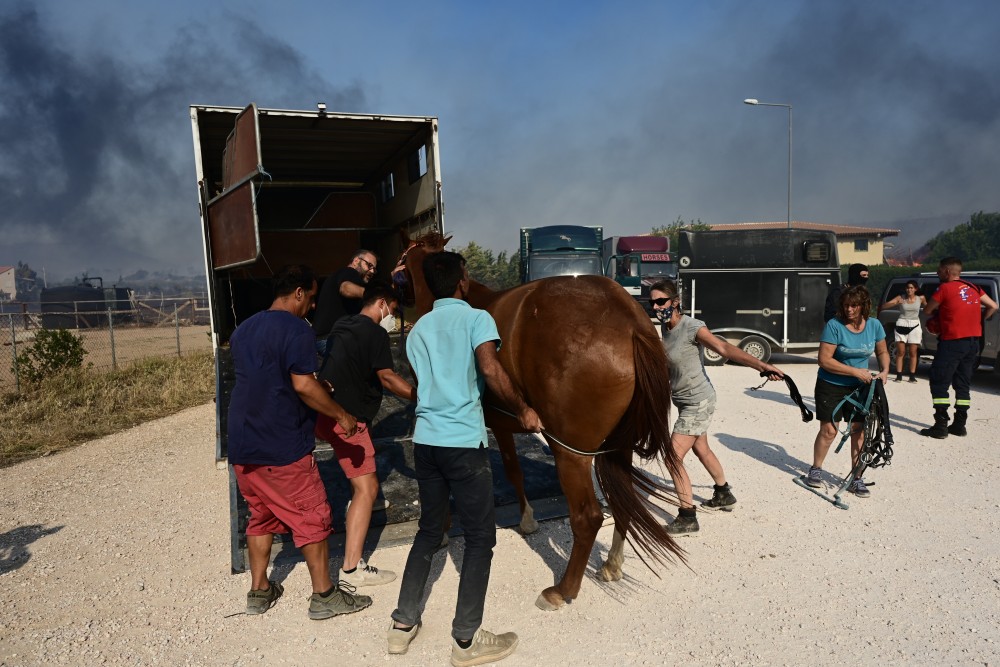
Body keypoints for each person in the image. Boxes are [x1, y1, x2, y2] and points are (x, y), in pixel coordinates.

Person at [387, 251, 543, 666]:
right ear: (462, 281)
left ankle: (402, 625)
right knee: (479, 538)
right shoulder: (478, 319)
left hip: (425, 442)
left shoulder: (417, 330)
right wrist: (524, 409)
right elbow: (490, 371)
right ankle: (466, 640)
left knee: (427, 531)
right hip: (462, 443)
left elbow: (423, 384)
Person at [227, 264, 372, 619]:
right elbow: (302, 385)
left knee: (260, 516)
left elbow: (268, 379)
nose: (311, 306)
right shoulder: (296, 329)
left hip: (243, 441)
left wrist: (316, 387)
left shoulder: (244, 329)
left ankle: (259, 591)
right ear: (297, 293)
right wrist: (340, 414)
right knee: (312, 515)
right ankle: (324, 595)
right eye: (311, 298)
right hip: (280, 441)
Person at [649, 280, 785, 537]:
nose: (656, 307)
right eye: (652, 302)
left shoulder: (692, 327)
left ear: (675, 302)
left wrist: (762, 366)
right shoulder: (666, 330)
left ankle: (687, 516)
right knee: (701, 448)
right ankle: (723, 493)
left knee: (672, 456)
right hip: (685, 400)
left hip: (698, 401)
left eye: (661, 301)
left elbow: (723, 348)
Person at [314, 281, 416, 591]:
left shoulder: (343, 323)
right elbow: (387, 377)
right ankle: (352, 567)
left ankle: (362, 505)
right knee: (367, 488)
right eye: (393, 311)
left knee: (362, 482)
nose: (392, 318)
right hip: (348, 420)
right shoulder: (375, 333)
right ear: (383, 303)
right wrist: (422, 396)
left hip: (325, 412)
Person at [804, 286, 889, 498]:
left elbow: (882, 350)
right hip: (831, 383)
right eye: (846, 305)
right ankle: (816, 468)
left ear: (863, 307)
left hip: (861, 386)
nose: (849, 309)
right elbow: (824, 360)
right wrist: (854, 371)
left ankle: (856, 478)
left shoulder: (874, 325)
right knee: (830, 430)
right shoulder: (834, 325)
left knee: (859, 430)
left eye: (854, 305)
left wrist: (885, 370)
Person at [919, 257, 998, 438]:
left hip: (953, 342)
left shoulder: (944, 288)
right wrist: (978, 319)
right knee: (962, 382)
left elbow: (928, 311)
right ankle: (959, 425)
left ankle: (940, 425)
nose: (938, 274)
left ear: (947, 271)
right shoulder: (974, 287)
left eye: (939, 271)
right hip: (973, 342)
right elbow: (993, 306)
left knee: (939, 380)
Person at [313, 250, 379, 356]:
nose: (371, 271)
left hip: (326, 339)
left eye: (374, 269)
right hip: (332, 339)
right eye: (369, 265)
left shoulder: (338, 275)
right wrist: (373, 295)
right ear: (356, 261)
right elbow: (346, 289)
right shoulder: (350, 272)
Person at [878, 279, 926, 382]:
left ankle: (912, 376)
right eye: (908, 288)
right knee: (901, 352)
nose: (909, 290)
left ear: (915, 289)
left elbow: (927, 307)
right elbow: (884, 306)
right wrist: (895, 303)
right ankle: (899, 375)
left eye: (911, 288)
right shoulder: (901, 297)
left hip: (915, 324)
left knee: (913, 352)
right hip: (902, 324)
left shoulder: (920, 298)